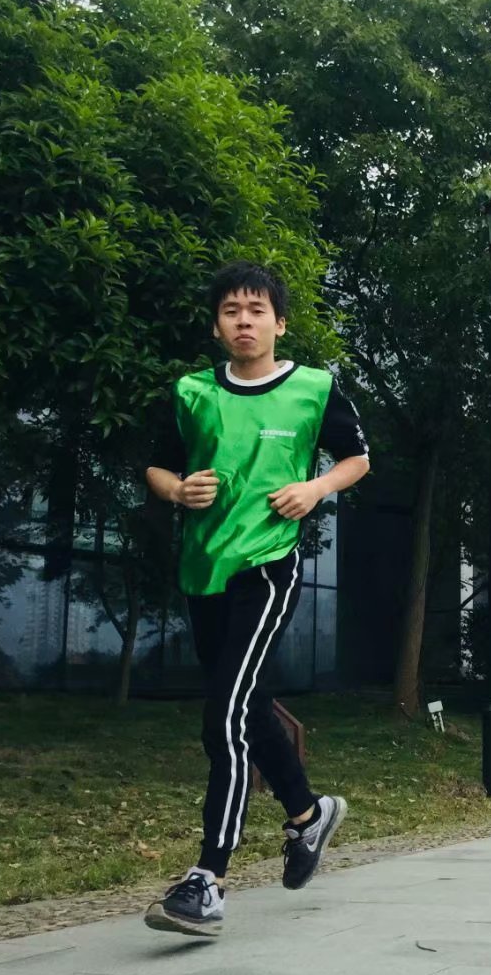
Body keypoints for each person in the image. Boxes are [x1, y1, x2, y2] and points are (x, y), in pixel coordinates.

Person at [143, 262, 370, 937]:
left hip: (268, 566)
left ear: (280, 322)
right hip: (202, 569)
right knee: (246, 702)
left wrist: (315, 489)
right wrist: (176, 489)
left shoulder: (314, 389)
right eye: (231, 311)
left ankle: (208, 880)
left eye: (257, 310)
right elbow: (156, 464)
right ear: (217, 325)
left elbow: (358, 458)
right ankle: (308, 815)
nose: (244, 321)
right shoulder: (191, 392)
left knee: (224, 714)